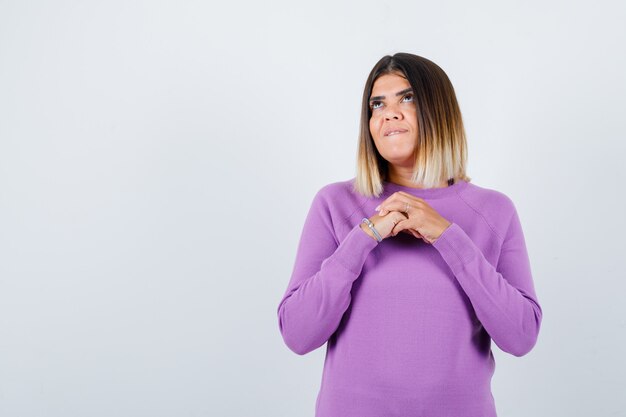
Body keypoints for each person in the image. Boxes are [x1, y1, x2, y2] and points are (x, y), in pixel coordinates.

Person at [276, 52, 542, 417]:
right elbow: (298, 333)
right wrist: (365, 235)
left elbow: (521, 336)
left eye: (408, 98)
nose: (390, 113)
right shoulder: (334, 204)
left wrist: (447, 235)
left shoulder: (494, 211)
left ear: (440, 111)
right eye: (377, 104)